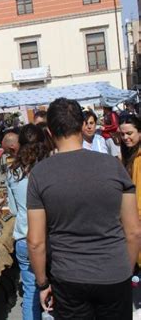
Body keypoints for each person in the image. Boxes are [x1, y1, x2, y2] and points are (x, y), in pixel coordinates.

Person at [27, 98, 141, 319]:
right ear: (81, 125)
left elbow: (36, 241)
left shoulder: (40, 174)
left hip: (68, 278)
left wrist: (42, 283)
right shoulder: (113, 166)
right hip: (114, 272)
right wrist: (124, 271)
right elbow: (134, 230)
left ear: (50, 132)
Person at [6, 124, 49, 320]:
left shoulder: (12, 171)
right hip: (47, 236)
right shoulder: (48, 167)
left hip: (23, 236)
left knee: (31, 290)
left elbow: (13, 209)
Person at [119, 114, 141, 224]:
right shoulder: (127, 154)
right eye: (122, 134)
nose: (125, 138)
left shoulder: (139, 158)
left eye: (129, 133)